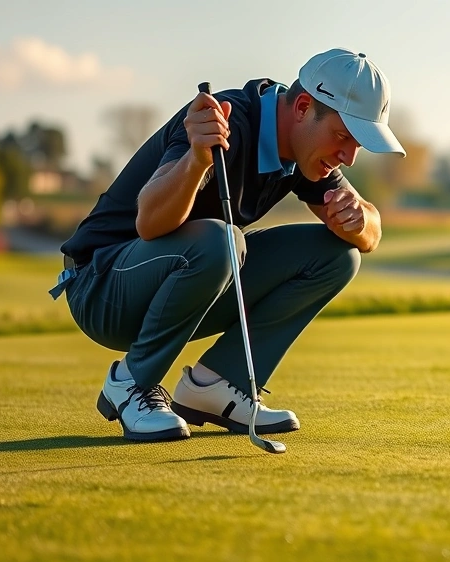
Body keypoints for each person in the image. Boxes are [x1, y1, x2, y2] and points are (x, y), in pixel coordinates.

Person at [49, 48, 405, 442]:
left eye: (357, 144)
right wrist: (198, 160)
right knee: (223, 241)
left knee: (339, 255)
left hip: (178, 283)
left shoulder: (306, 150)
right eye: (343, 137)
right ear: (303, 106)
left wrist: (359, 220)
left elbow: (370, 235)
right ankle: (130, 382)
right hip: (100, 286)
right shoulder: (224, 120)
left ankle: (216, 385)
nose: (348, 157)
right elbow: (149, 223)